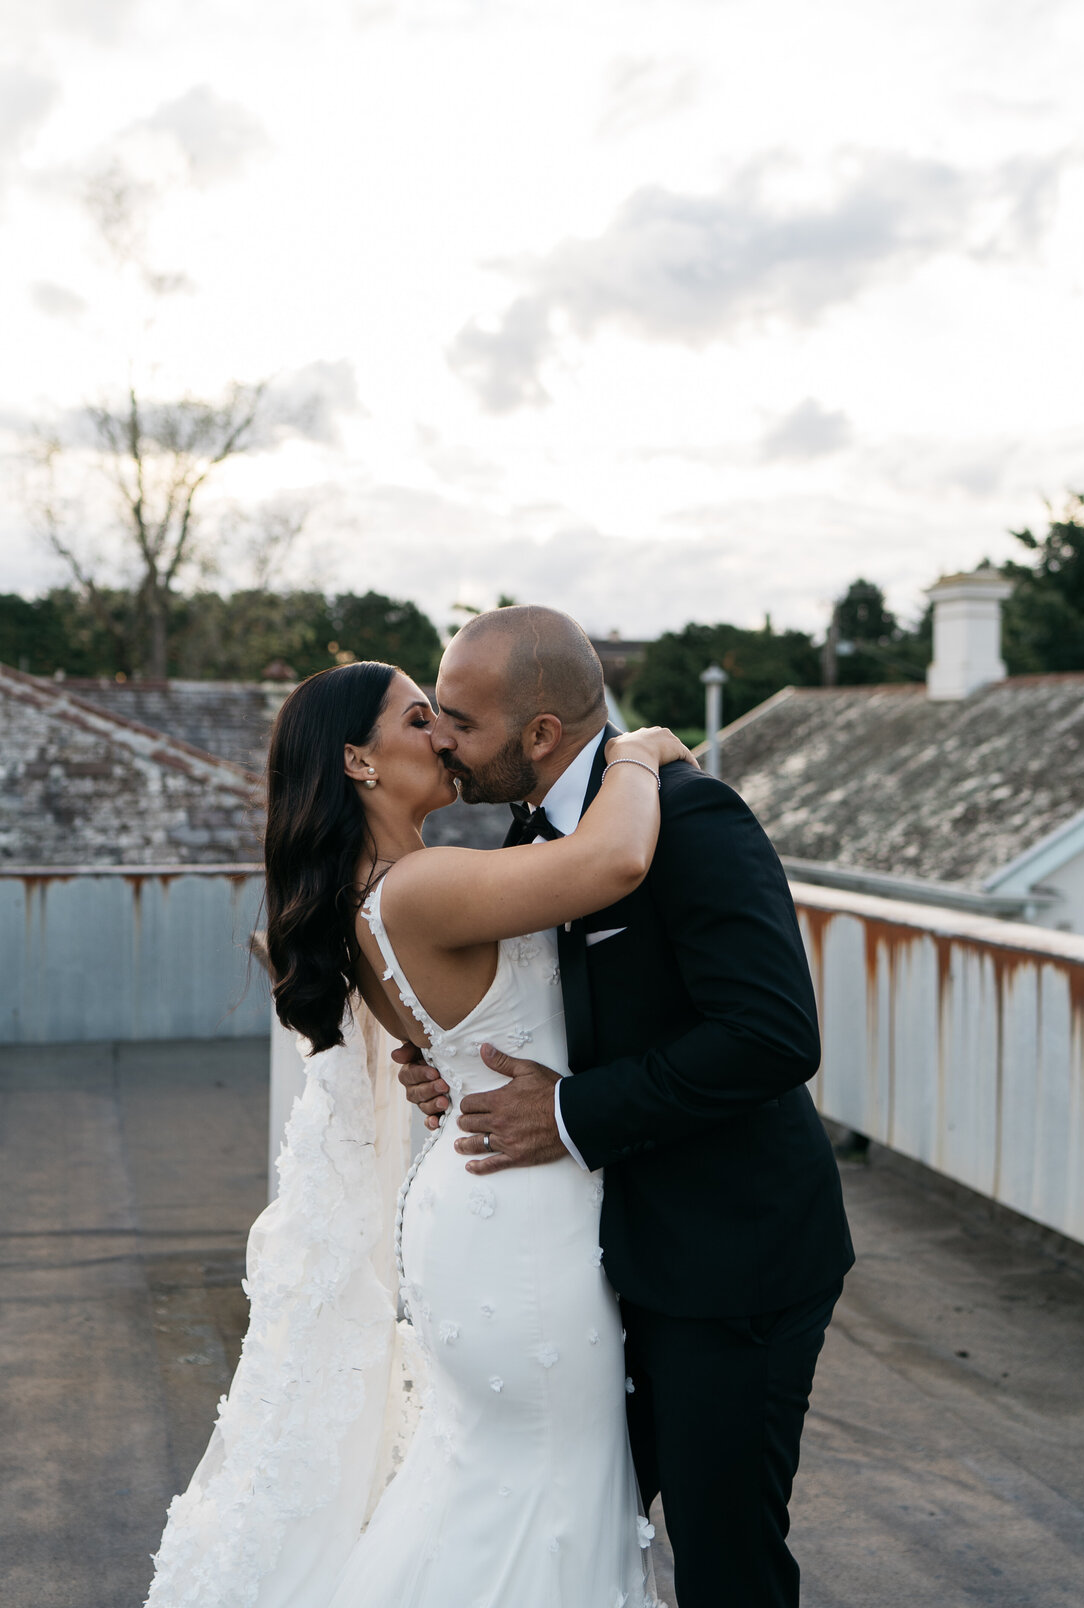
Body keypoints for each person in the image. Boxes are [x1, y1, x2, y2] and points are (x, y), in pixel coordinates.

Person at [144, 653, 693, 1608]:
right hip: (520, 1222)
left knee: (499, 1489)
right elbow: (613, 860)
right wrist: (638, 754)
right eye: (417, 720)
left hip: (482, 1198)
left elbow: (445, 1049)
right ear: (358, 762)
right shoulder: (420, 889)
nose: (443, 735)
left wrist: (433, 1068)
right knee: (542, 1496)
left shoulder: (376, 898)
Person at [395, 605, 854, 1608]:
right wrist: (439, 1062)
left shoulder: (693, 819)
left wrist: (568, 1113)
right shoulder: (532, 835)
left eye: (461, 724)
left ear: (542, 734)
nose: (444, 744)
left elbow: (776, 1036)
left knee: (723, 1553)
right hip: (601, 1263)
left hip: (734, 1263)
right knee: (583, 1530)